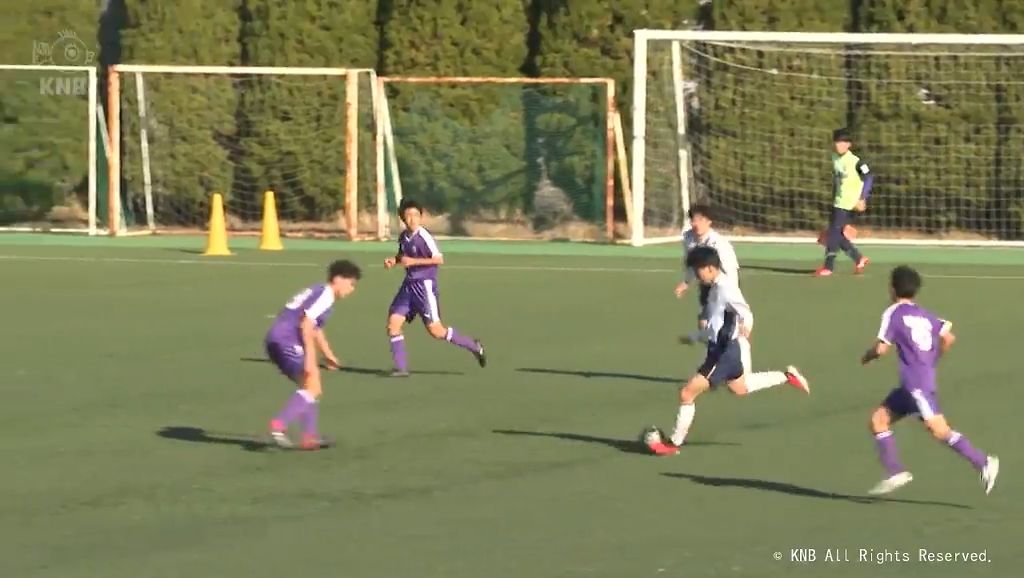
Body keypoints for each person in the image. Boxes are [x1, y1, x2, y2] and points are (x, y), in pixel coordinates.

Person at [647, 246, 810, 456]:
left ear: (710, 268)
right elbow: (715, 324)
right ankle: (786, 376)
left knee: (687, 393)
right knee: (739, 388)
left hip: (723, 352)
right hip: (723, 349)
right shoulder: (714, 287)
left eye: (698, 270)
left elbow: (745, 311)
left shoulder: (726, 288)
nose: (697, 275)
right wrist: (694, 337)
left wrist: (746, 326)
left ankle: (672, 444)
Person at [861, 265, 999, 495]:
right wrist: (933, 358)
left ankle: (983, 462)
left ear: (892, 288)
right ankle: (895, 471)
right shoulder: (924, 314)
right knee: (878, 420)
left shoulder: (893, 313)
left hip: (916, 386)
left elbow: (881, 348)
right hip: (911, 386)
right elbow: (948, 336)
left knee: (939, 430)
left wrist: (868, 356)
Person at [266, 259, 362, 450]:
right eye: (351, 284)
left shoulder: (318, 292)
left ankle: (309, 436)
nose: (352, 289)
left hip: (275, 337)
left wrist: (328, 354)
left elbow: (316, 329)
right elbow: (307, 325)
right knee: (312, 386)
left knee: (310, 386)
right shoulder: (325, 294)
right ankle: (279, 425)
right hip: (287, 338)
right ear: (337, 279)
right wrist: (311, 359)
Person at [386, 199, 486, 377]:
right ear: (402, 218)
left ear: (421, 216)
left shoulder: (424, 236)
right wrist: (394, 260)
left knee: (436, 331)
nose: (412, 219)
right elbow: (402, 255)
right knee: (393, 323)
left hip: (424, 287)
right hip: (408, 286)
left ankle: (473, 346)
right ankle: (401, 368)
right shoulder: (403, 237)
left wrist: (414, 261)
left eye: (416, 215)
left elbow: (439, 259)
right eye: (408, 215)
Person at [675, 204, 739, 341]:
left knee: (722, 319)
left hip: (724, 281)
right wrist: (686, 282)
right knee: (704, 323)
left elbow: (730, 270)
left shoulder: (719, 244)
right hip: (705, 282)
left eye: (700, 220)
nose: (696, 224)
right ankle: (711, 341)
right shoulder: (688, 238)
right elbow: (693, 263)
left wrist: (729, 291)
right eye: (694, 220)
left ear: (709, 221)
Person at [816, 128, 872, 277]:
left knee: (833, 234)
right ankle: (859, 258)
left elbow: (869, 178)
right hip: (838, 202)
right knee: (837, 234)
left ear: (849, 145)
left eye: (842, 142)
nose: (839, 145)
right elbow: (837, 181)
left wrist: (862, 198)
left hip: (850, 204)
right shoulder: (834, 157)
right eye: (837, 142)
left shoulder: (856, 162)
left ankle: (828, 267)